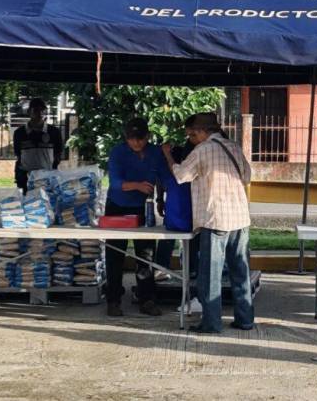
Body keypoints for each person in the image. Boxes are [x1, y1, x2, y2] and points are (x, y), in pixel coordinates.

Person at [162, 112, 254, 333]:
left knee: (210, 275)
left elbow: (181, 176)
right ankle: (245, 319)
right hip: (240, 218)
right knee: (240, 272)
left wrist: (168, 156)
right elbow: (247, 175)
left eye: (191, 135)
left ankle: (211, 323)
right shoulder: (232, 147)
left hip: (216, 220)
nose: (190, 140)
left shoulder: (201, 150)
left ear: (201, 132)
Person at [105, 117, 169, 317]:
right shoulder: (118, 152)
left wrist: (160, 199)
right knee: (115, 254)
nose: (136, 143)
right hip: (117, 207)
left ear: (147, 137)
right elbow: (115, 182)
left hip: (143, 208)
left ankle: (147, 299)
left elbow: (163, 176)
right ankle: (113, 300)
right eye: (132, 139)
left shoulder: (155, 152)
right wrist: (137, 185)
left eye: (140, 139)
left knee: (146, 254)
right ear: (126, 138)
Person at [155, 119, 197, 282]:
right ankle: (192, 269)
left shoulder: (171, 175)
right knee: (192, 240)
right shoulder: (191, 175)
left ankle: (161, 268)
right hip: (188, 217)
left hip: (174, 217)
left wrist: (159, 200)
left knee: (167, 240)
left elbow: (160, 181)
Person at [13, 98, 63, 193]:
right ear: (29, 112)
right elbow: (18, 155)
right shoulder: (19, 133)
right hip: (27, 179)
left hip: (47, 178)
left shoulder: (53, 132)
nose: (40, 113)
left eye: (42, 110)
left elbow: (58, 154)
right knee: (29, 205)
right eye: (36, 110)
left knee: (48, 205)